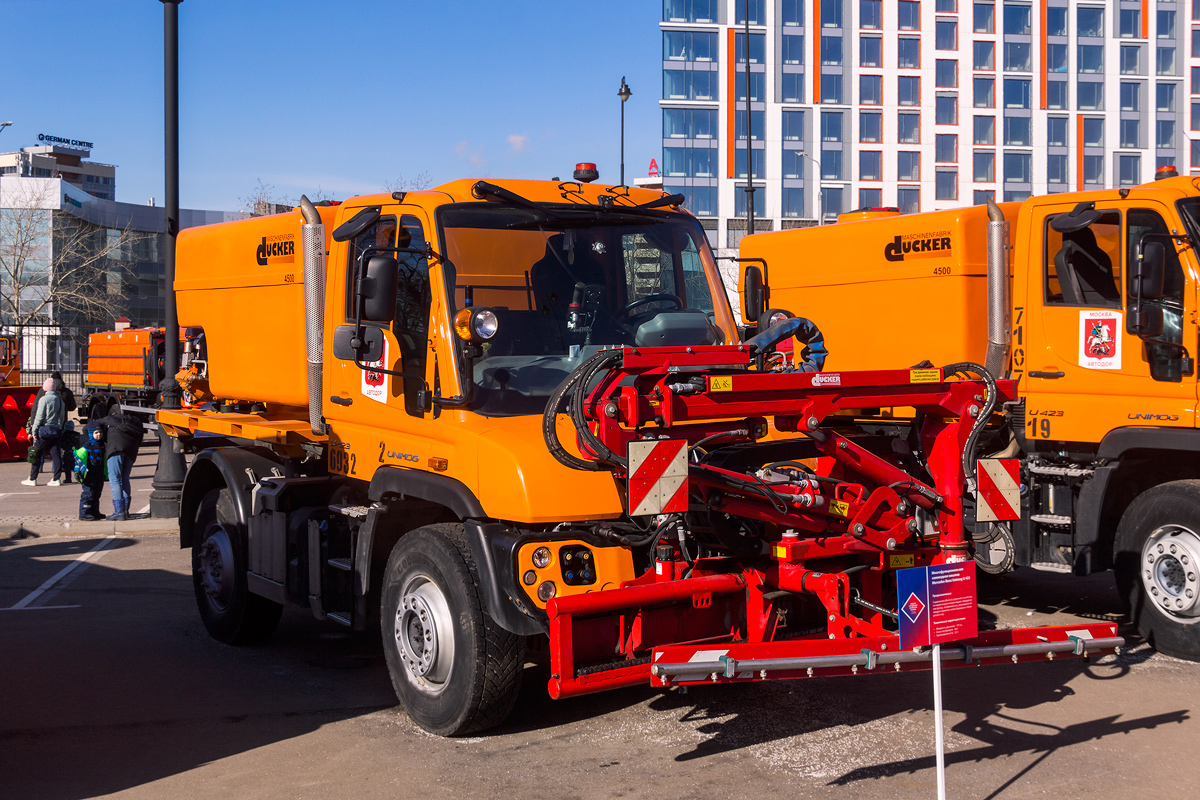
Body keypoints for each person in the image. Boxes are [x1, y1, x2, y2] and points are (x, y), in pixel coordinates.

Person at [95, 407, 144, 521]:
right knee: (125, 477)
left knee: (115, 479)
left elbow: (94, 423)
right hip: (131, 451)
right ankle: (125, 510)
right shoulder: (135, 423)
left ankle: (119, 511)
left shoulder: (112, 419)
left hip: (115, 449)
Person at [21, 377, 66, 487]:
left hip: (44, 430)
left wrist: (34, 430)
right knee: (56, 455)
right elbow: (62, 417)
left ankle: (32, 478)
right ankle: (56, 478)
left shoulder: (43, 400)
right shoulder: (60, 400)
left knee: (36, 453)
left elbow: (39, 417)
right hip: (56, 430)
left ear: (45, 388)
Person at [74, 425, 108, 521]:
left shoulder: (102, 446)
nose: (99, 434)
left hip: (99, 474)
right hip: (89, 475)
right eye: (96, 433)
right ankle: (84, 513)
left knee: (97, 493)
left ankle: (94, 511)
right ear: (91, 434)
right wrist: (77, 471)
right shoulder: (87, 446)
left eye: (100, 432)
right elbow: (79, 458)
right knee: (88, 493)